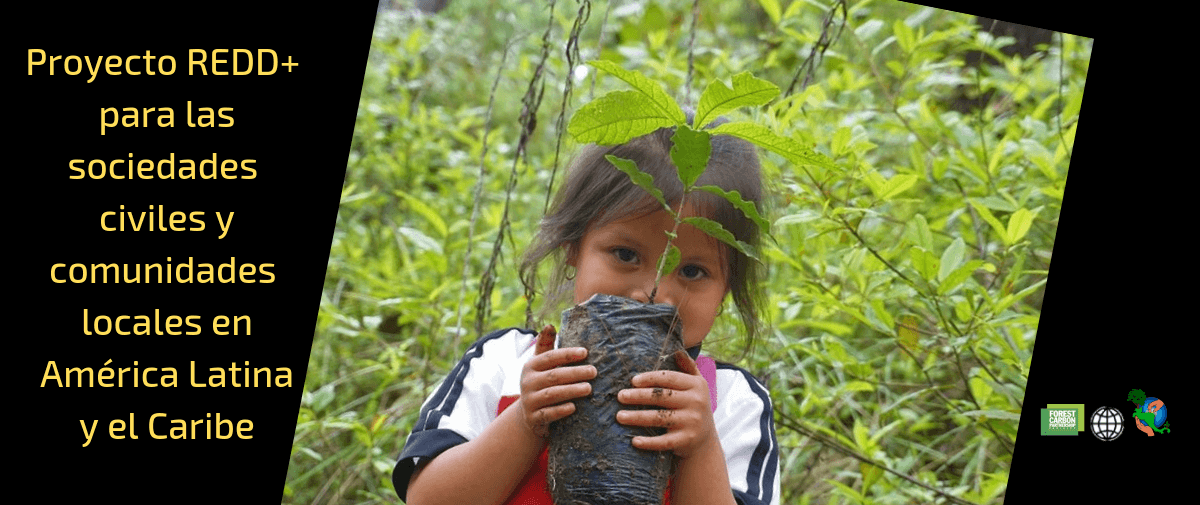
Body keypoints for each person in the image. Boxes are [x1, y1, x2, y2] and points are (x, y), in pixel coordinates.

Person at [392, 116, 780, 505]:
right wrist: (525, 419)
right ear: (573, 248)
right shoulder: (501, 363)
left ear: (725, 292)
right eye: (625, 254)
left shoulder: (733, 403)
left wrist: (700, 447)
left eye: (692, 271)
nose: (651, 293)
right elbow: (426, 499)